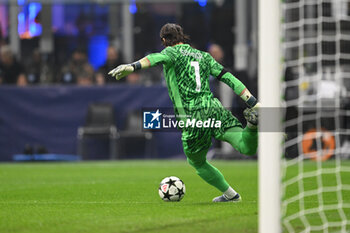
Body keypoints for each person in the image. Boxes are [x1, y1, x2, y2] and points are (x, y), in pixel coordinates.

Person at [109, 23, 259, 203]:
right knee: (246, 147)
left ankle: (231, 195)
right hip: (214, 108)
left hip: (192, 116)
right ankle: (251, 124)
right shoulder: (204, 56)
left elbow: (153, 58)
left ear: (164, 40)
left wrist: (133, 67)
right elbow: (228, 77)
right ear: (182, 37)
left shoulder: (170, 53)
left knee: (197, 162)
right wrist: (251, 101)